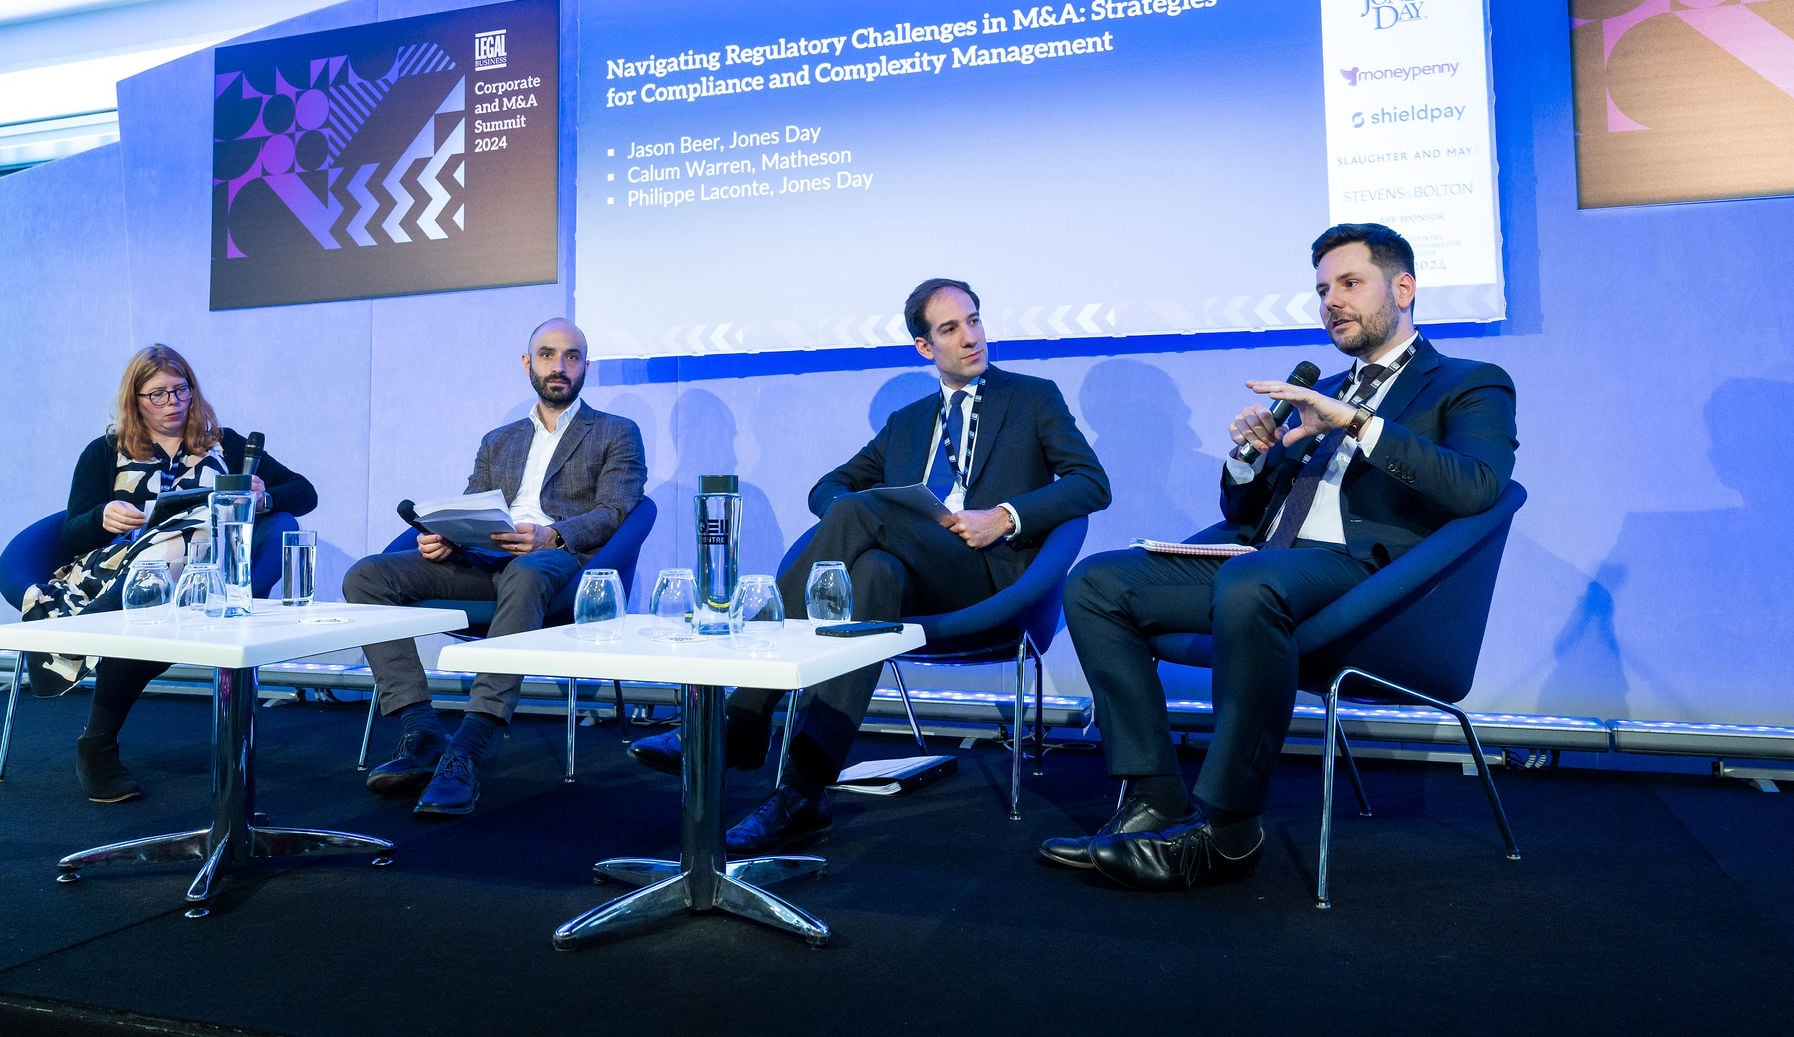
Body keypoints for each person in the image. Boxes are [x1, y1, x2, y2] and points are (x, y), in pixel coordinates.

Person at [1047, 223, 1517, 890]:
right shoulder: (1323, 391)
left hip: (1373, 581)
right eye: (1323, 289)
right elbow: (1246, 514)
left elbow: (1478, 485)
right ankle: (1154, 799)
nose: (1332, 301)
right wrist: (1250, 461)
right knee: (1097, 582)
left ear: (1404, 288)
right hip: (1267, 561)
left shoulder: (1469, 382)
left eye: (1350, 283)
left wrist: (1357, 422)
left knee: (1252, 580)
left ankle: (1229, 832)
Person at [630, 278, 1110, 853]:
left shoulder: (1032, 398)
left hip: (988, 579)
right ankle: (803, 793)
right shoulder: (908, 422)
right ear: (925, 347)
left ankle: (745, 713)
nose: (971, 337)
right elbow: (827, 488)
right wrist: (874, 517)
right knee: (875, 570)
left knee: (861, 514)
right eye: (951, 328)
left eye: (974, 321)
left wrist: (1004, 516)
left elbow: (1091, 483)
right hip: (912, 581)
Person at [344, 318, 645, 817]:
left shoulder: (616, 432)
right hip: (485, 559)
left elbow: (616, 511)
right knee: (367, 576)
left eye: (572, 357)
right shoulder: (498, 440)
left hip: (558, 562)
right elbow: (474, 505)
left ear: (586, 367)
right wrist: (447, 535)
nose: (559, 366)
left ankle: (468, 745)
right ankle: (422, 731)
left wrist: (552, 534)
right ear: (528, 364)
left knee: (525, 573)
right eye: (547, 355)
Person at [25, 344, 317, 804]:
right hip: (119, 568)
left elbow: (305, 493)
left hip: (205, 576)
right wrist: (102, 516)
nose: (172, 403)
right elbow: (71, 533)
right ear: (135, 399)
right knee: (158, 594)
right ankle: (98, 735)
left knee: (181, 551)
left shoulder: (225, 443)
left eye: (180, 390)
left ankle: (96, 724)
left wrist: (266, 498)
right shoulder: (104, 452)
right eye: (157, 394)